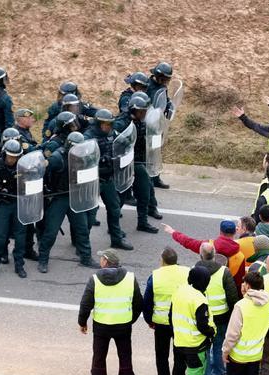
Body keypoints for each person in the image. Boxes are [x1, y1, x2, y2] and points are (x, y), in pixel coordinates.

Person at [77, 249, 142, 375]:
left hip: (101, 327)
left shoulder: (94, 279)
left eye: (101, 258)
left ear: (106, 262)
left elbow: (86, 304)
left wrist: (82, 322)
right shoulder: (130, 278)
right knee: (125, 360)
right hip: (123, 327)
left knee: (98, 359)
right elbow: (138, 303)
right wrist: (129, 319)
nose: (100, 261)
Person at [37, 131, 97, 273]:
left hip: (76, 196)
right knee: (51, 231)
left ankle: (86, 257)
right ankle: (43, 259)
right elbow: (41, 171)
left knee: (82, 229)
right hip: (60, 198)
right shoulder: (57, 158)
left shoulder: (83, 157)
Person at [221, 271, 269, 375]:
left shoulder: (241, 306)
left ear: (248, 286)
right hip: (255, 355)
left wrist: (225, 351)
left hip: (238, 356)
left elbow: (233, 334)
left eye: (244, 283)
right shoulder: (267, 301)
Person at [172, 266, 217, 375]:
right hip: (196, 346)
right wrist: (213, 332)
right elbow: (203, 326)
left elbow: (171, 315)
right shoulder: (199, 300)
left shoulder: (179, 291)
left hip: (179, 342)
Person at [83, 109, 133, 251]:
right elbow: (83, 160)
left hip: (108, 178)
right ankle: (82, 243)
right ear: (99, 124)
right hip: (94, 180)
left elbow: (123, 142)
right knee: (91, 213)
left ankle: (116, 239)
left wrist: (123, 151)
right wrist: (100, 159)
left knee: (115, 208)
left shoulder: (112, 133)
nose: (108, 127)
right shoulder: (88, 137)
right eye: (105, 124)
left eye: (110, 124)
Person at [143, 248, 190, 375]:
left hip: (161, 323)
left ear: (162, 260)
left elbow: (147, 301)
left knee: (162, 354)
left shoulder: (155, 276)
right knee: (180, 355)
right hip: (181, 321)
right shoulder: (187, 272)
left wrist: (149, 320)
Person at [112, 92, 159, 234]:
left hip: (138, 161)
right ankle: (113, 228)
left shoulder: (142, 121)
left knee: (145, 191)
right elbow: (114, 142)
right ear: (136, 110)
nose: (145, 113)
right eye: (143, 111)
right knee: (119, 197)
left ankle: (142, 222)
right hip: (124, 163)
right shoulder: (121, 122)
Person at [196, 243, 240, 375]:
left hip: (203, 317)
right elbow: (232, 296)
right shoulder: (224, 272)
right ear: (214, 255)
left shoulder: (194, 271)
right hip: (221, 317)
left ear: (201, 255)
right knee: (219, 346)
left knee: (205, 349)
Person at [0, 140, 27, 278]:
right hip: (4, 204)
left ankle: (19, 265)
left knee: (20, 237)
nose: (12, 159)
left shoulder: (24, 166)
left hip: (19, 204)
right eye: (10, 156)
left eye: (15, 157)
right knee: (0, 236)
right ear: (4, 154)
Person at [164, 220, 246, 288]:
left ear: (220, 231)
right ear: (235, 232)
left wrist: (173, 232)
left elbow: (188, 242)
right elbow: (239, 282)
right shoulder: (240, 256)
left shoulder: (207, 245)